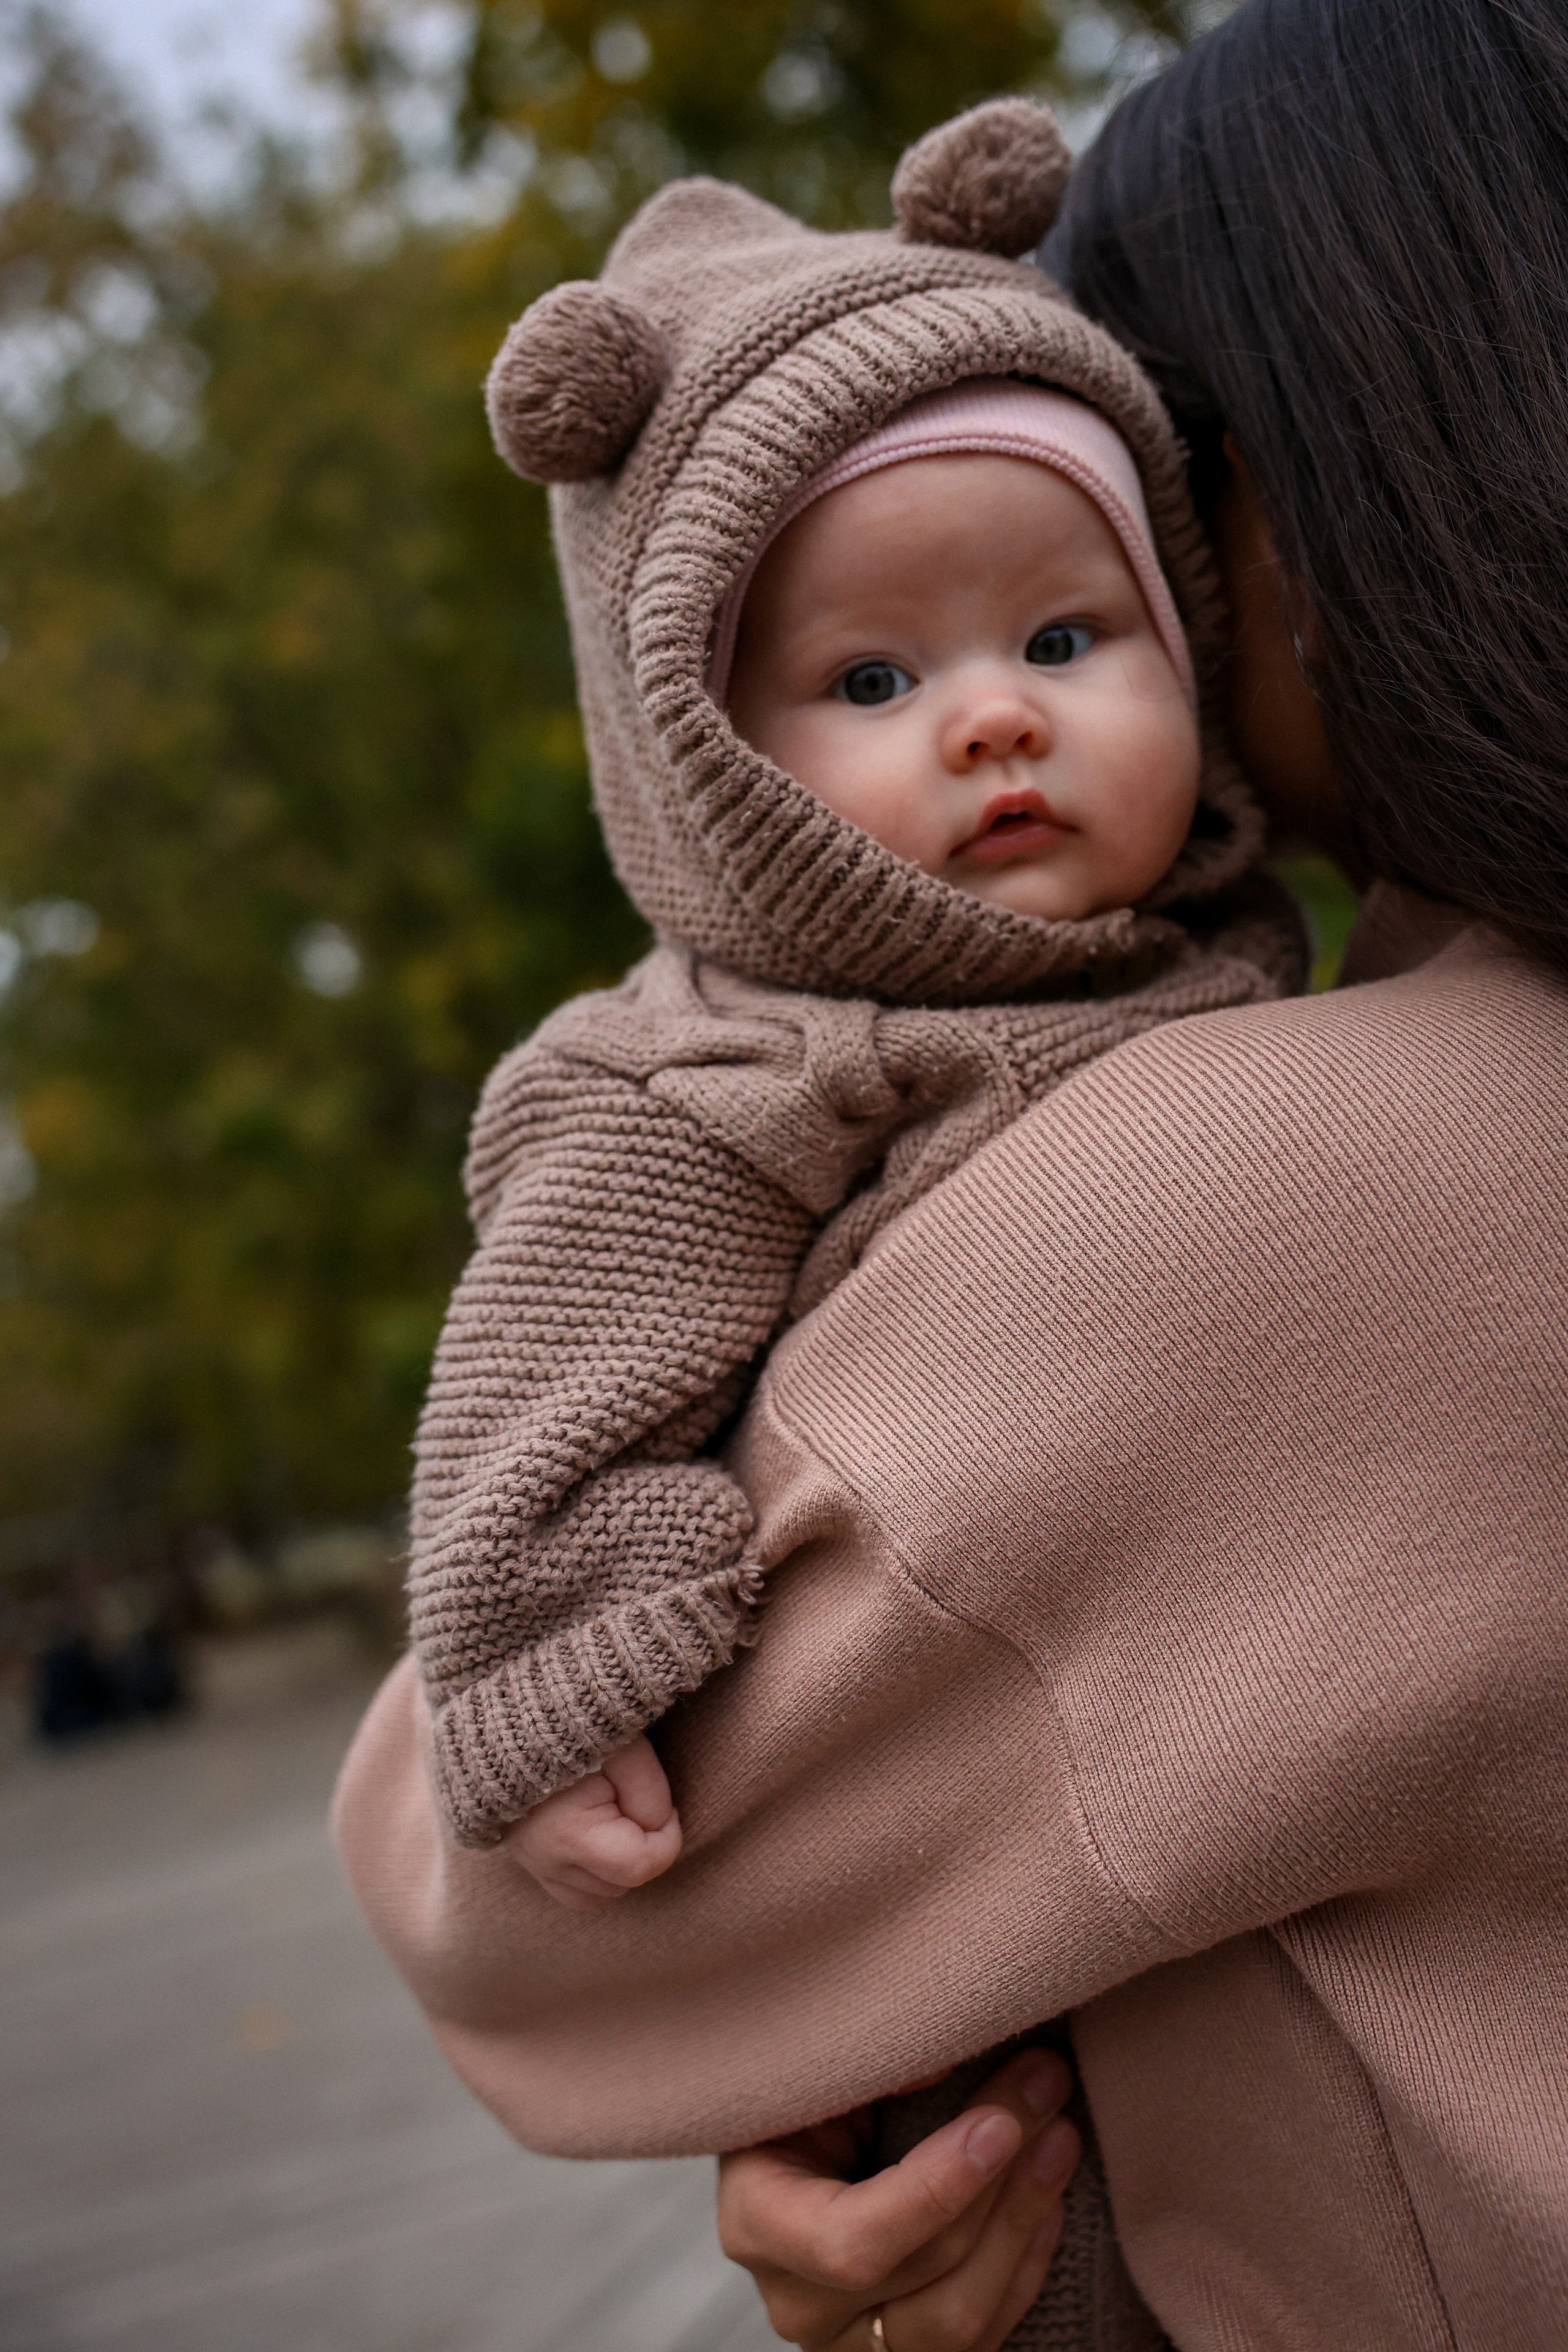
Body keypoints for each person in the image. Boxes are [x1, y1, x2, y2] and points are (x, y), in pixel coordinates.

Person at [335, 5, 1568, 2346]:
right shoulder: (770, 1084)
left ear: (1353, 474)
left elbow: (535, 1932)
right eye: (867, 678)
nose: (1003, 714)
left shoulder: (1301, 1205)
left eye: (1107, 572)